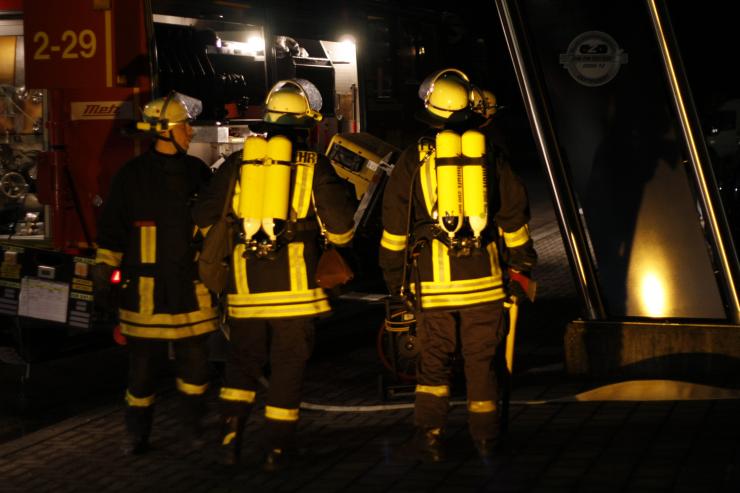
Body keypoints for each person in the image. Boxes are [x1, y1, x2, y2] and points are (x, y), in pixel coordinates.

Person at [192, 78, 356, 472]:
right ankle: (278, 451)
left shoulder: (237, 164)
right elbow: (342, 232)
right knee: (287, 368)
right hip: (296, 296)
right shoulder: (315, 166)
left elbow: (203, 217)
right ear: (306, 126)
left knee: (241, 365)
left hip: (245, 291)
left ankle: (230, 441)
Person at [378, 68, 537, 462]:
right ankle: (486, 439)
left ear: (430, 110)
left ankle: (430, 438)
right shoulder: (490, 155)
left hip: (433, 285)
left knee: (433, 362)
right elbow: (514, 216)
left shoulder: (413, 159)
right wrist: (522, 266)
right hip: (485, 280)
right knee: (482, 361)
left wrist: (396, 282)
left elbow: (394, 228)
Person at [92, 91, 218, 455]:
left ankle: (194, 427)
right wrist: (103, 277)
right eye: (184, 126)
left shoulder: (197, 172)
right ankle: (138, 434)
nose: (190, 132)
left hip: (191, 292)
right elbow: (112, 233)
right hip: (146, 296)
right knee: (142, 374)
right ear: (164, 131)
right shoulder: (131, 177)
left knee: (196, 371)